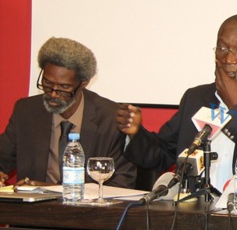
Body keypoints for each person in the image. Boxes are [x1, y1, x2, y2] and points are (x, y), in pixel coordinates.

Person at [116, 14, 237, 201]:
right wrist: (135, 133)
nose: (228, 59)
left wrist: (236, 106)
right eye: (222, 48)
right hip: (194, 212)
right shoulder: (196, 97)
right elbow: (161, 155)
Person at [0, 37, 136, 188]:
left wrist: (52, 190)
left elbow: (122, 182)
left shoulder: (111, 118)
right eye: (47, 83)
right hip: (32, 204)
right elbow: (3, 157)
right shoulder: (26, 111)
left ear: (83, 84)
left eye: (64, 87)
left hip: (86, 204)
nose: (53, 94)